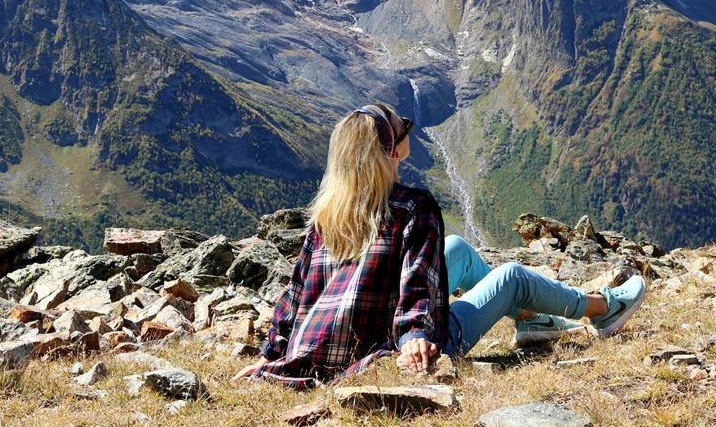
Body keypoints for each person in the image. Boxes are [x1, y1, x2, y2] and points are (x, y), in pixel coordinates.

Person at [234, 102, 646, 387]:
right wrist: (414, 335)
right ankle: (604, 309)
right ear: (391, 151)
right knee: (514, 276)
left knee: (458, 249)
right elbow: (415, 282)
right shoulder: (414, 207)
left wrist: (274, 354)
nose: (407, 129)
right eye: (403, 126)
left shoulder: (325, 219)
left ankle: (532, 321)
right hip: (394, 344)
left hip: (325, 343)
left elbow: (295, 295)